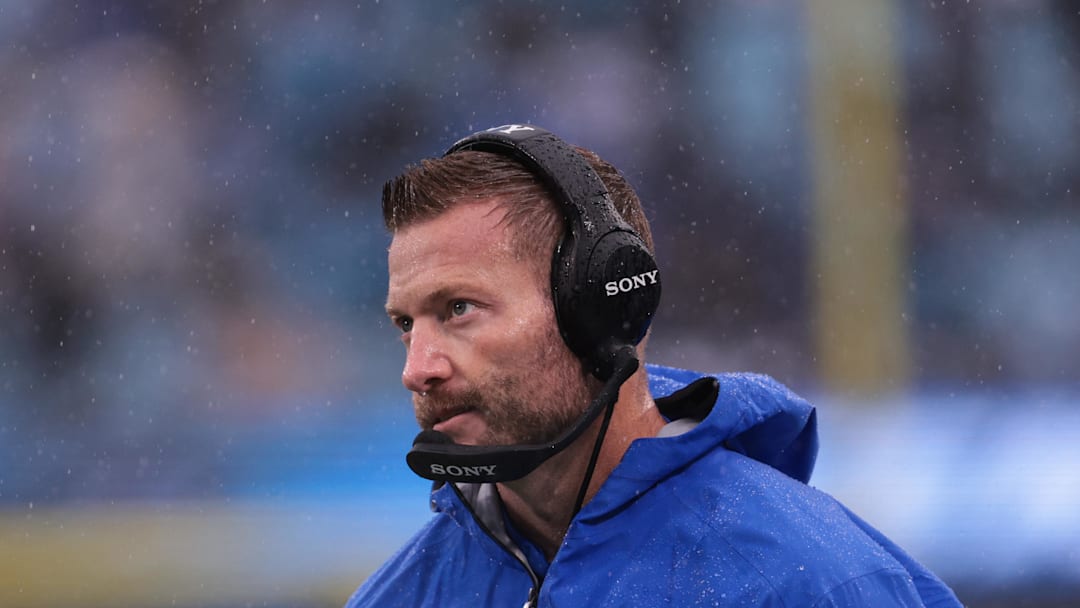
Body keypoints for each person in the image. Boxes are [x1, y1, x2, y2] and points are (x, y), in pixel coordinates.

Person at [345, 124, 962, 607]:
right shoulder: (397, 597)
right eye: (405, 324)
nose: (417, 369)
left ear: (601, 308)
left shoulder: (817, 587)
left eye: (458, 309)